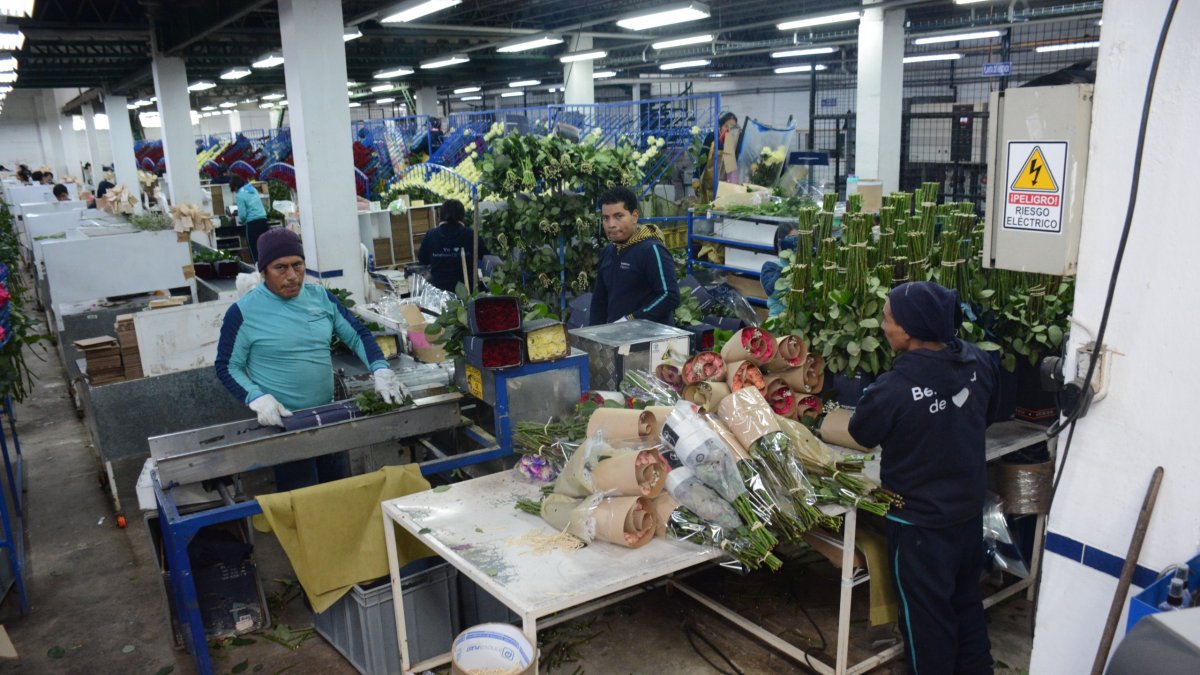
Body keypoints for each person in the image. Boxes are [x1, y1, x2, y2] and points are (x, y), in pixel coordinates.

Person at [847, 281, 1001, 675]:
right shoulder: (979, 363)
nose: (883, 326)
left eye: (888, 319)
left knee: (925, 621)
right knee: (966, 604)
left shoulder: (894, 387)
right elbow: (988, 414)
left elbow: (861, 434)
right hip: (967, 516)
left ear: (910, 330)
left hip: (919, 526)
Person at [215, 228, 402, 491]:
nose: (291, 276)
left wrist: (380, 368)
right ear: (263, 271)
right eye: (280, 267)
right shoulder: (243, 312)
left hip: (328, 416)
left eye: (298, 265)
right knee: (304, 498)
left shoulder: (320, 297)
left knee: (339, 491)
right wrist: (255, 397)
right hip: (285, 424)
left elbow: (357, 335)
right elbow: (227, 366)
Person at [589, 186, 680, 325]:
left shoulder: (652, 250)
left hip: (650, 338)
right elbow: (599, 302)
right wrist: (592, 335)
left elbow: (670, 296)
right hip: (616, 336)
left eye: (619, 216)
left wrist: (631, 320)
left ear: (634, 216)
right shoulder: (608, 251)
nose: (611, 224)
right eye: (606, 218)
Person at [417, 198, 488, 293]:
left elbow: (422, 259)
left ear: (440, 215)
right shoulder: (470, 234)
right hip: (467, 292)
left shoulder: (431, 235)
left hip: (440, 293)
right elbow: (486, 256)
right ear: (462, 216)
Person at [760, 222, 798, 318]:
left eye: (799, 239)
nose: (797, 244)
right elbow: (771, 291)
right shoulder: (771, 266)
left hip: (800, 319)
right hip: (778, 320)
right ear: (780, 243)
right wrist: (785, 267)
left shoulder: (804, 265)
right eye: (793, 239)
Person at [230, 175, 269, 262]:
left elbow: (243, 215)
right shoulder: (253, 190)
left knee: (254, 249)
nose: (235, 192)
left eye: (234, 190)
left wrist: (241, 221)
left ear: (236, 187)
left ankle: (258, 271)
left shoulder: (240, 195)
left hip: (252, 224)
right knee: (265, 247)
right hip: (263, 221)